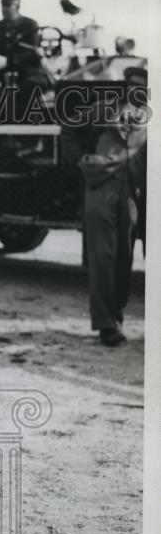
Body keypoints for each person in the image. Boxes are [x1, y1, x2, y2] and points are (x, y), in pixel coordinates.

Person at [77, 64, 148, 347]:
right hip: (102, 188)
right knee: (103, 258)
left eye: (143, 85)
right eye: (132, 84)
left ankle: (115, 315)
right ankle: (105, 324)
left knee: (124, 257)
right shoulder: (104, 108)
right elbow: (70, 129)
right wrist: (81, 161)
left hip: (132, 193)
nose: (136, 90)